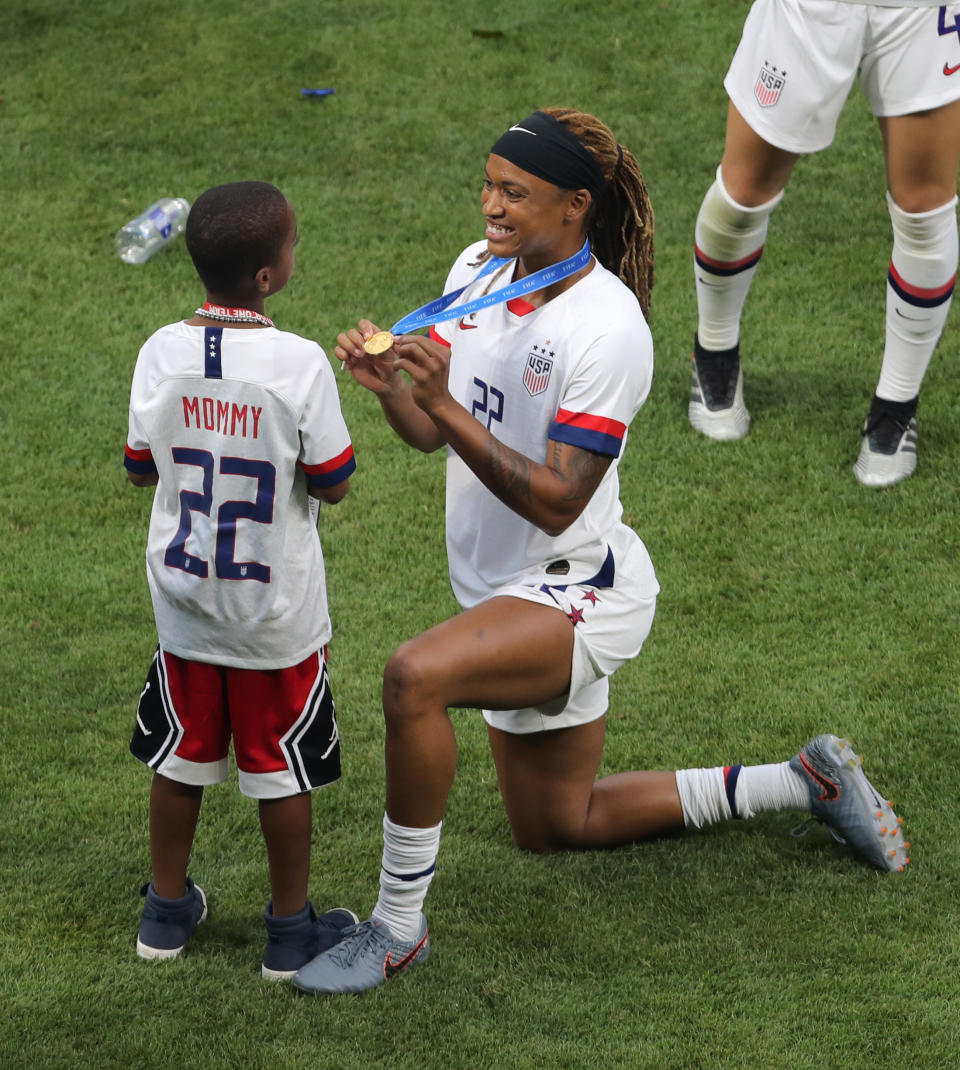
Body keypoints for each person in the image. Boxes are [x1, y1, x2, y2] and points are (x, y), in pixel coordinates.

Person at [292, 110, 909, 996]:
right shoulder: (478, 271)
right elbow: (432, 437)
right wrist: (397, 390)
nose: (490, 205)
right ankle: (801, 780)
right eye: (489, 183)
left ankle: (394, 930)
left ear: (576, 205)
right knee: (558, 825)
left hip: (577, 588)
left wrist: (450, 407)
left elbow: (556, 498)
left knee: (412, 678)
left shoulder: (608, 329)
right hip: (499, 591)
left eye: (514, 191)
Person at [123, 181, 359, 979]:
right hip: (275, 615)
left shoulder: (159, 350)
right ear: (267, 276)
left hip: (185, 606)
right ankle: (290, 934)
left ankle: (164, 916)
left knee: (180, 759)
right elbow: (334, 481)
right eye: (292, 245)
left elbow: (136, 468)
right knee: (281, 767)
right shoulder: (298, 363)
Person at [688, 0, 960, 487]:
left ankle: (896, 407)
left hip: (922, 12)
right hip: (810, 9)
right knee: (743, 194)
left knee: (924, 207)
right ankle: (714, 349)